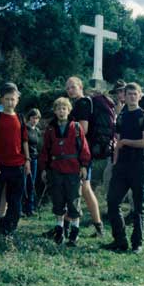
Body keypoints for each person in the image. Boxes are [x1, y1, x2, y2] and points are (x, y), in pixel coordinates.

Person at [102, 82, 144, 254]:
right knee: (112, 202)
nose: (131, 96)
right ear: (124, 95)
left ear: (140, 95)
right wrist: (115, 160)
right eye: (128, 94)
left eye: (134, 94)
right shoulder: (122, 117)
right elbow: (116, 142)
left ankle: (137, 243)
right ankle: (120, 240)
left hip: (139, 166)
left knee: (139, 207)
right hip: (122, 166)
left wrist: (125, 142)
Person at [0, 82, 30, 238]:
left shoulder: (21, 119)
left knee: (15, 200)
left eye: (13, 99)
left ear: (17, 100)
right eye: (7, 99)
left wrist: (27, 160)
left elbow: (24, 141)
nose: (10, 102)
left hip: (17, 166)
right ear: (1, 100)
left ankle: (8, 228)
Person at [40, 98, 91, 246]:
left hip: (73, 169)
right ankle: (59, 231)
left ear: (69, 111)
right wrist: (44, 168)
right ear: (55, 111)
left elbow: (84, 148)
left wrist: (84, 166)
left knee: (73, 200)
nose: (61, 111)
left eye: (64, 108)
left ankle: (74, 233)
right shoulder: (50, 129)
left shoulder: (76, 128)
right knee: (58, 201)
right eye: (58, 109)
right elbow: (45, 151)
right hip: (56, 169)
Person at [65, 76, 104, 237]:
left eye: (73, 87)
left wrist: (64, 134)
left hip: (82, 153)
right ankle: (96, 226)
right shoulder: (82, 103)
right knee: (83, 189)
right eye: (67, 88)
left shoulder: (82, 104)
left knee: (83, 189)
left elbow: (83, 129)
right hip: (82, 152)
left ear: (80, 87)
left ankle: (68, 225)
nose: (69, 90)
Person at [23, 108, 42, 216]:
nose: (35, 120)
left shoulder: (37, 131)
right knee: (23, 184)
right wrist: (26, 159)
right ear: (29, 117)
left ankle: (29, 209)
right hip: (24, 159)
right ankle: (20, 209)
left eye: (37, 118)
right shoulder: (24, 129)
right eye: (33, 118)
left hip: (34, 159)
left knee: (31, 184)